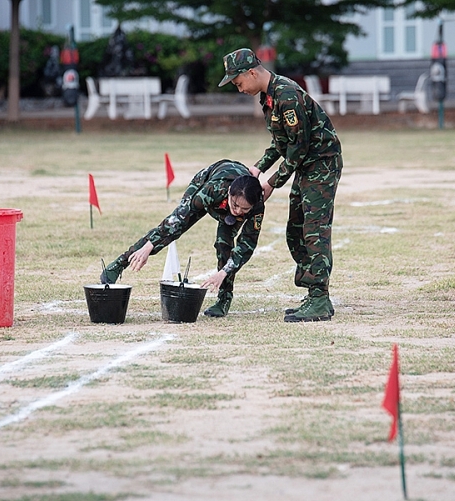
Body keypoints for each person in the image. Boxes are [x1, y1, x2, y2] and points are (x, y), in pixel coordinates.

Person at [218, 48, 343, 323]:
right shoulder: (270, 97)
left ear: (251, 73)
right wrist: (259, 165)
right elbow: (282, 142)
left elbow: (297, 148)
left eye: (238, 83)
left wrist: (272, 182)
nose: (239, 89)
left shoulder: (286, 95)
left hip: (321, 164)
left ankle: (320, 298)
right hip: (306, 166)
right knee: (295, 230)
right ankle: (313, 293)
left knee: (314, 230)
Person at [100, 159, 265, 318]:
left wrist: (223, 272)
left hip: (228, 203)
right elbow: (176, 220)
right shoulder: (210, 191)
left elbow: (246, 246)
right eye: (235, 205)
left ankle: (224, 298)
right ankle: (119, 264)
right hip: (207, 182)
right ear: (229, 193)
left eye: (244, 209)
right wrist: (149, 245)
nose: (237, 211)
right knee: (174, 230)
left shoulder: (257, 206)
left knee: (224, 244)